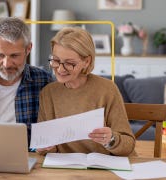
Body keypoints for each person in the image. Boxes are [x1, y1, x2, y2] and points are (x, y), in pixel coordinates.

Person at [36, 27, 135, 156]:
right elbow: (48, 148)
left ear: (86, 61)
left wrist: (111, 139)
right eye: (55, 60)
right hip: (66, 170)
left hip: (105, 168)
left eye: (69, 63)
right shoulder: (48, 93)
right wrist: (46, 148)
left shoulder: (107, 89)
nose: (60, 69)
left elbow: (128, 145)